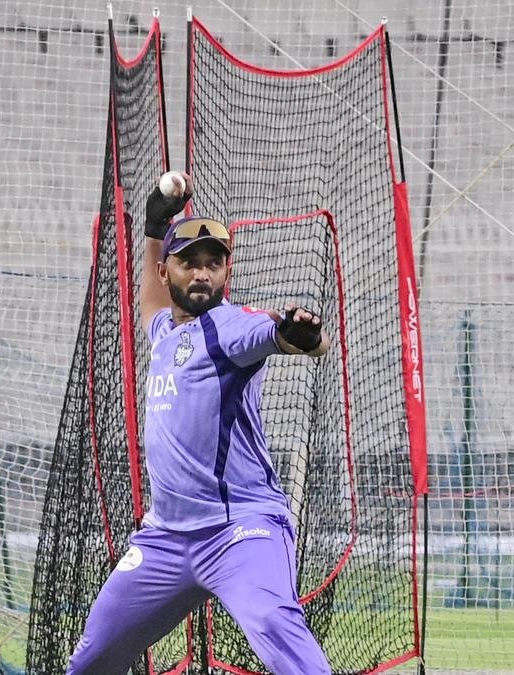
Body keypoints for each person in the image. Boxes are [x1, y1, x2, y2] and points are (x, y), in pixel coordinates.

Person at [66, 174, 333, 674]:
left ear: (227, 270)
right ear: (167, 270)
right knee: (94, 656)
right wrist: (153, 228)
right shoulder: (164, 329)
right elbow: (150, 300)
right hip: (166, 538)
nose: (202, 274)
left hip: (239, 530)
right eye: (189, 263)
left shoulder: (230, 327)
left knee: (273, 623)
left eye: (213, 263)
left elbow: (286, 337)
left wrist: (302, 337)